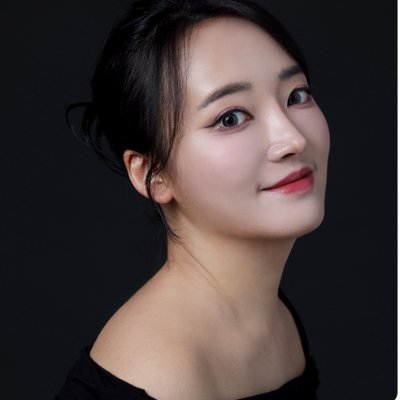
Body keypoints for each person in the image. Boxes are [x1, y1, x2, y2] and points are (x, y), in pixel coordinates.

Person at [56, 0, 329, 398]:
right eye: (230, 118)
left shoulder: (273, 318)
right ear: (153, 175)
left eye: (297, 95)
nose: (293, 139)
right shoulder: (161, 373)